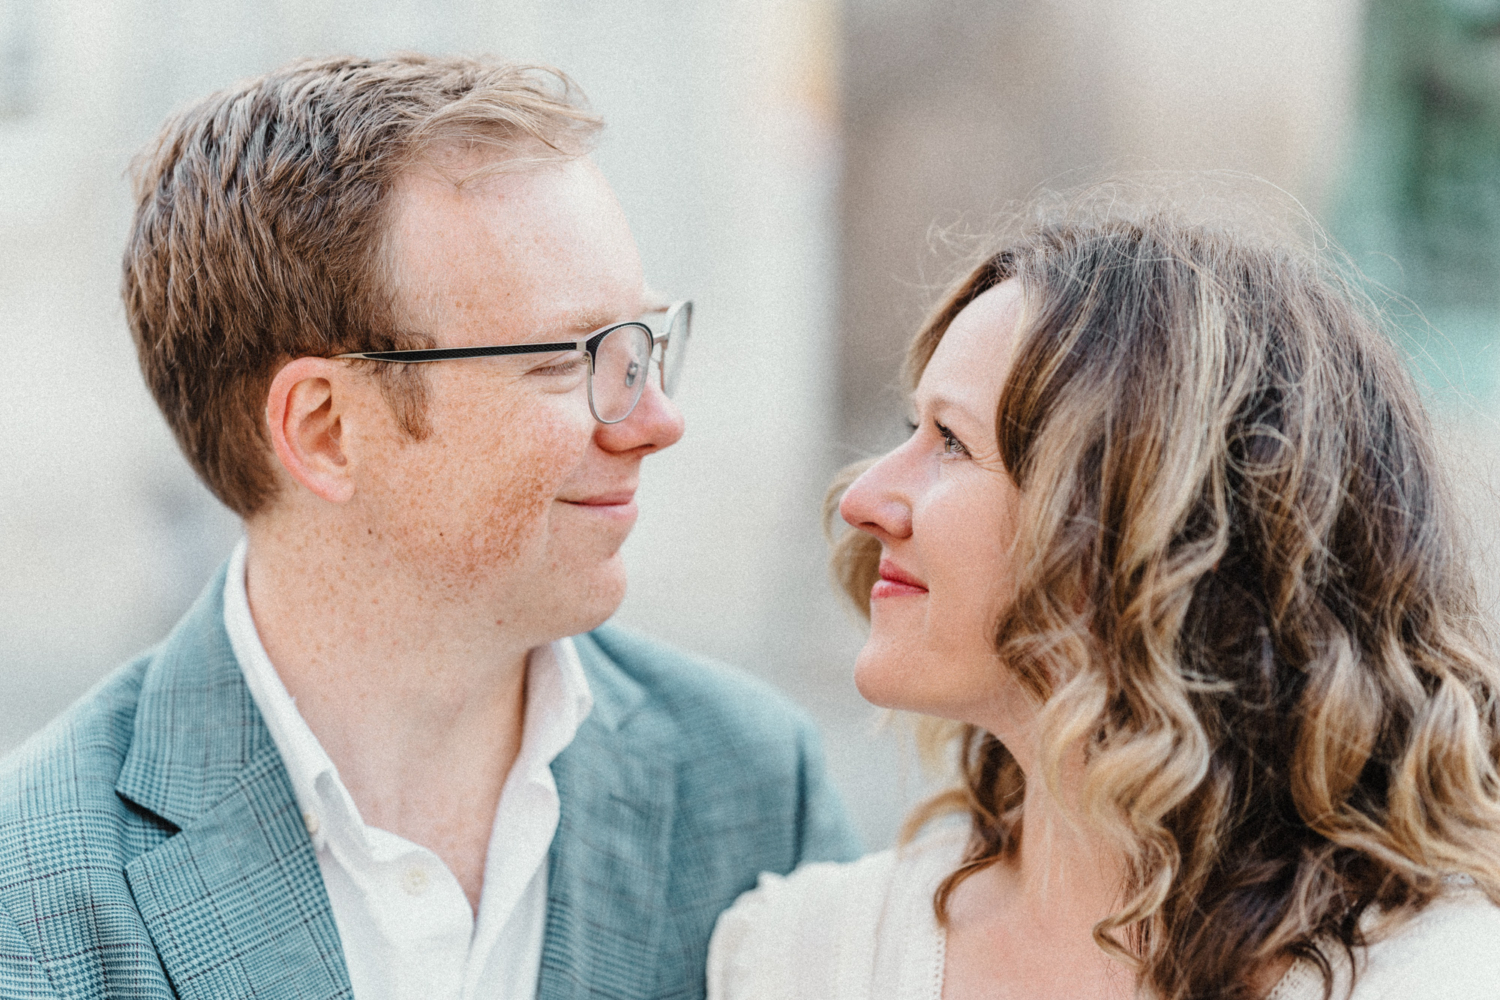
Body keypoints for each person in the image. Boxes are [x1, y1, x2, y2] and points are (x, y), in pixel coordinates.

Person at [0, 54, 859, 999]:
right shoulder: (36, 894)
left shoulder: (752, 784)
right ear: (325, 430)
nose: (656, 420)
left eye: (646, 343)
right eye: (573, 361)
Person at [708, 195, 1500, 1000]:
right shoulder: (799, 955)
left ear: (1150, 536)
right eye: (912, 429)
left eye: (950, 441)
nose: (862, 498)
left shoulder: (1443, 976)